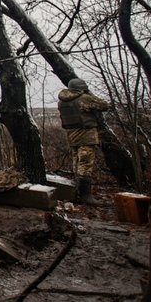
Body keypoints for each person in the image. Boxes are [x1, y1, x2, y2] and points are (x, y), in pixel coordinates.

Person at [57, 77, 111, 206]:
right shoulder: (84, 98)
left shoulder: (62, 101)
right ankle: (85, 196)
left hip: (72, 136)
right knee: (86, 164)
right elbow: (105, 105)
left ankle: (76, 193)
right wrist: (89, 94)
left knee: (77, 163)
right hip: (86, 134)